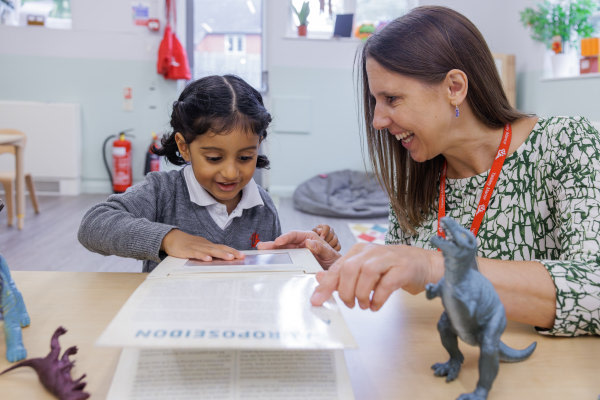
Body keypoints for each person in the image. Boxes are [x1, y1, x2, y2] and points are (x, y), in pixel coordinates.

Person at [259, 6, 600, 336]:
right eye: (375, 101)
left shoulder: (568, 144)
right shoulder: (418, 176)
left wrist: (434, 265)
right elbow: (408, 282)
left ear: (454, 87)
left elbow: (593, 289)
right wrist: (345, 266)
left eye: (392, 99)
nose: (378, 121)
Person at [78, 75, 340, 273]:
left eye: (245, 157)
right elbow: (92, 225)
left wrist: (300, 257)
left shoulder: (263, 208)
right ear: (184, 146)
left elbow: (267, 277)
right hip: (168, 322)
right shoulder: (163, 192)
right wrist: (168, 238)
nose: (230, 172)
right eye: (214, 158)